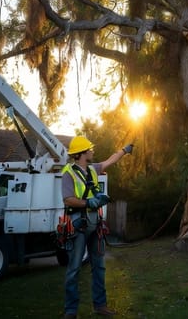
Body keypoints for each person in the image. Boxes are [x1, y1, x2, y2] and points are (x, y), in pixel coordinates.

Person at [61, 135, 133, 319]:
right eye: (89, 149)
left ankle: (100, 306)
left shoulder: (93, 169)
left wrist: (124, 150)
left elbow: (110, 161)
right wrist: (89, 202)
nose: (92, 150)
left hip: (95, 226)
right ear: (82, 153)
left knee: (99, 268)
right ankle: (71, 311)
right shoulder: (68, 173)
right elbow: (68, 199)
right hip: (78, 226)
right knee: (74, 269)